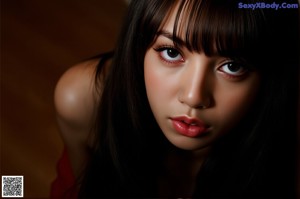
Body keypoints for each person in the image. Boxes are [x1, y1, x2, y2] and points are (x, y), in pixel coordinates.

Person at [52, 0, 299, 198]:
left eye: (232, 66)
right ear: (139, 47)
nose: (193, 97)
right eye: (171, 52)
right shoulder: (85, 98)